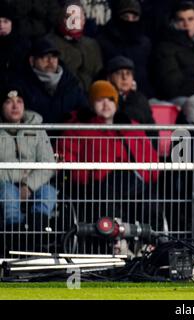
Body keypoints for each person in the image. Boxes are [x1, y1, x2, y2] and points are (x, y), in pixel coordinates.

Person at [57, 80, 159, 223]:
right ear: (92, 104)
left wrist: (141, 175)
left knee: (150, 202)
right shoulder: (77, 129)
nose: (106, 104)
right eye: (100, 100)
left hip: (133, 186)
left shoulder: (131, 128)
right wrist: (93, 175)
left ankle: (149, 241)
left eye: (110, 99)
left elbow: (151, 160)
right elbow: (67, 162)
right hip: (95, 189)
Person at [0, 86, 57, 230]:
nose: (15, 106)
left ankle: (38, 230)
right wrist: (15, 180)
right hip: (4, 184)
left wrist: (28, 186)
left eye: (19, 101)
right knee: (8, 193)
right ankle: (14, 235)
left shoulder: (36, 128)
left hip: (34, 184)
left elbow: (48, 163)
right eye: (8, 102)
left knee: (48, 192)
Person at [11, 36, 88, 123]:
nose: (50, 61)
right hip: (33, 135)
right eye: (44, 56)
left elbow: (84, 113)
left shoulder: (72, 84)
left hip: (66, 136)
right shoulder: (20, 84)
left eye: (54, 56)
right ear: (32, 60)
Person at [153, 1, 194, 103]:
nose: (187, 24)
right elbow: (171, 85)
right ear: (174, 22)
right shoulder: (164, 48)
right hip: (183, 98)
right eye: (181, 20)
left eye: (190, 19)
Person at [97, 0, 154, 97]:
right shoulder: (103, 42)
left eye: (134, 17)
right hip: (110, 96)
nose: (130, 21)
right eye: (125, 17)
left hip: (143, 95)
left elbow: (151, 73)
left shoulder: (145, 43)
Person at [49, 1, 103, 92]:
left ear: (83, 21)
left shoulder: (92, 45)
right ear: (62, 19)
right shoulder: (50, 43)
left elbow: (99, 73)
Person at [105, 55, 155, 126]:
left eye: (128, 73)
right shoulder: (104, 98)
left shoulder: (140, 99)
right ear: (109, 78)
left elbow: (151, 128)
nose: (124, 77)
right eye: (119, 73)